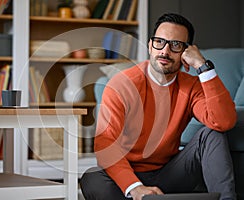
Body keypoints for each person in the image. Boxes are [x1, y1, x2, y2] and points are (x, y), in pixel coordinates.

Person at [80, 13, 237, 200]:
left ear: (186, 53)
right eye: (159, 42)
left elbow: (223, 122)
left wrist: (203, 67)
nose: (165, 51)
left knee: (211, 134)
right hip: (127, 176)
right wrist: (135, 187)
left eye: (176, 45)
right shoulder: (122, 84)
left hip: (169, 174)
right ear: (149, 46)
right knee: (92, 179)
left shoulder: (192, 85)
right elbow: (105, 143)